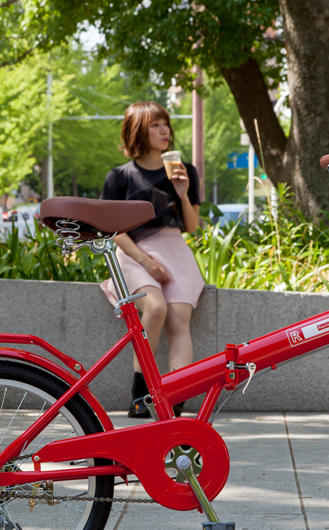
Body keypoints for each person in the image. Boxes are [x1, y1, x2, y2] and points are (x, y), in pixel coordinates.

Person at [98, 101, 204, 418]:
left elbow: (192, 226)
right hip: (134, 252)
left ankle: (176, 397)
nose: (164, 130)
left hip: (175, 249)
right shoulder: (120, 177)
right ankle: (141, 395)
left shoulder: (185, 171)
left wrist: (182, 192)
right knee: (155, 308)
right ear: (137, 132)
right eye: (155, 125)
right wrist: (146, 262)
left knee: (178, 320)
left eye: (165, 124)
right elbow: (112, 230)